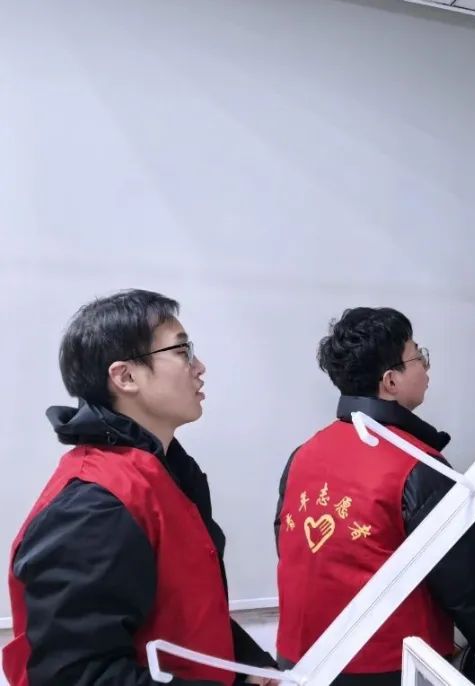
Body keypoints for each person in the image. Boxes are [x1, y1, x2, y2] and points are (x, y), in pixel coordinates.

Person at [2, 290, 278, 686]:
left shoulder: (166, 471)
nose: (199, 366)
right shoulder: (94, 505)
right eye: (182, 351)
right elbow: (78, 675)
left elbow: (191, 611)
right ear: (125, 377)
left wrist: (249, 670)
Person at [273, 307, 475, 686]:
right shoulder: (418, 467)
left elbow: (290, 549)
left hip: (300, 668)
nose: (425, 366)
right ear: (391, 381)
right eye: (417, 355)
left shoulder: (302, 456)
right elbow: (469, 588)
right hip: (393, 670)